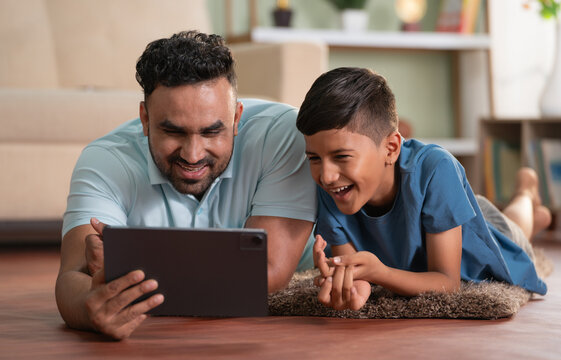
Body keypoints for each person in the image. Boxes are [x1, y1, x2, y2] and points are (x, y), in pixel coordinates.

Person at [55, 31, 317, 339]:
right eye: (174, 132)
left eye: (211, 132)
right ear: (145, 118)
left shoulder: (284, 134)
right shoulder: (105, 160)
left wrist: (134, 275)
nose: (193, 155)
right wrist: (90, 304)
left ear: (236, 119)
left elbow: (267, 272)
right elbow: (73, 277)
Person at [295, 67, 552, 311]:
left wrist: (379, 273)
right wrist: (353, 283)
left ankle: (525, 193)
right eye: (314, 158)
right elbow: (356, 272)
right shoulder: (336, 187)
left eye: (341, 156)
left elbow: (446, 283)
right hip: (447, 208)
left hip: (475, 223)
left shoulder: (436, 168)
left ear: (391, 148)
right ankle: (535, 212)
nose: (326, 176)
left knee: (515, 232)